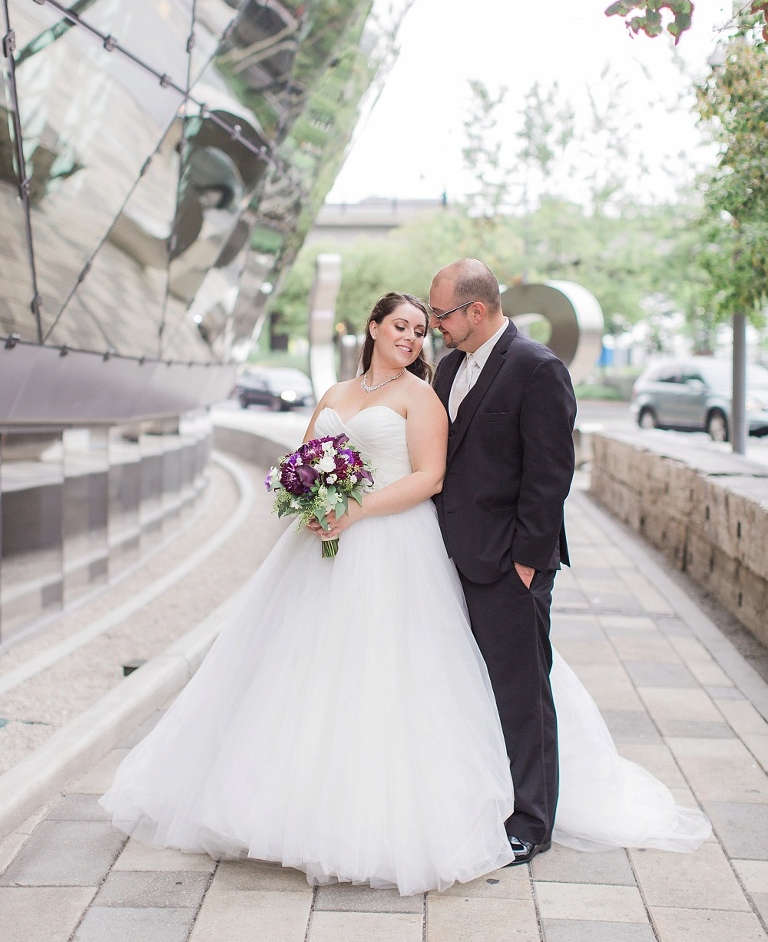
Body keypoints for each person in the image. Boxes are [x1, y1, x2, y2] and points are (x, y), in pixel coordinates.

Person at [101, 291, 710, 896]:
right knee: (304, 670)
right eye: (403, 325)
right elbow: (310, 455)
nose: (415, 338)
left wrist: (356, 510)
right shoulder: (347, 392)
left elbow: (432, 476)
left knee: (403, 671)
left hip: (397, 543)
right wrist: (310, 496)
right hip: (321, 549)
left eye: (423, 328)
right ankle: (287, 799)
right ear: (372, 327)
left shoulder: (427, 393)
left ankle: (499, 813)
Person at [429, 258, 576, 863]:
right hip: (445, 560)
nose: (436, 324)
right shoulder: (446, 367)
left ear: (477, 310)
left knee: (522, 694)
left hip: (508, 566)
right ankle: (479, 796)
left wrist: (527, 564)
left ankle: (532, 821)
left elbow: (551, 476)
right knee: (463, 689)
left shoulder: (537, 368)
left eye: (441, 313)